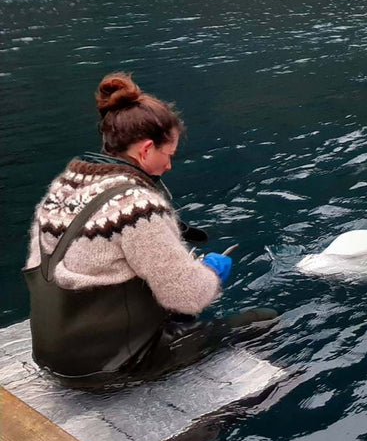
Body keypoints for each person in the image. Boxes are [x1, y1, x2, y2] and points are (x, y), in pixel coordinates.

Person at [22, 71, 277, 389]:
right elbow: (187, 297)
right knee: (263, 320)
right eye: (167, 155)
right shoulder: (137, 206)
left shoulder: (63, 186)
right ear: (144, 150)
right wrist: (210, 272)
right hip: (107, 366)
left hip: (51, 350)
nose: (169, 166)